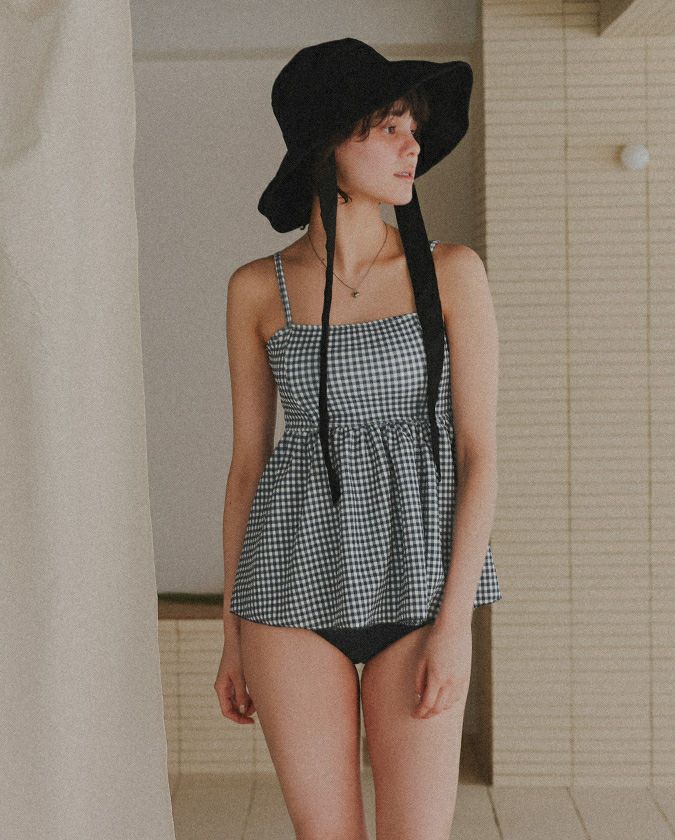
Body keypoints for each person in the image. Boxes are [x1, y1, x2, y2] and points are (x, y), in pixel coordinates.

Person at [215, 38, 502, 840]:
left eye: (414, 127)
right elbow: (247, 469)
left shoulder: (453, 271)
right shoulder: (256, 289)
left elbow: (479, 457)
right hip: (285, 591)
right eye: (389, 127)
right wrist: (232, 635)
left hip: (419, 589)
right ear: (328, 146)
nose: (413, 145)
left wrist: (456, 625)